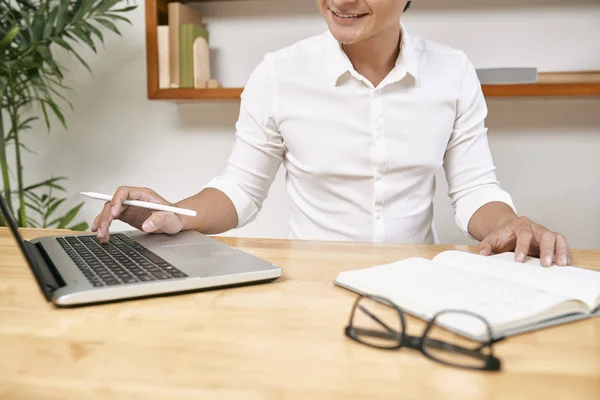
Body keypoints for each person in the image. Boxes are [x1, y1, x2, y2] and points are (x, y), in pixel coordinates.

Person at [92, 0, 570, 267]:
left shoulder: (452, 70)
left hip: (417, 281)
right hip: (311, 280)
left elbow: (473, 192)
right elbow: (240, 189)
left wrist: (513, 223)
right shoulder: (278, 73)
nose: (341, 0)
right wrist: (172, 214)